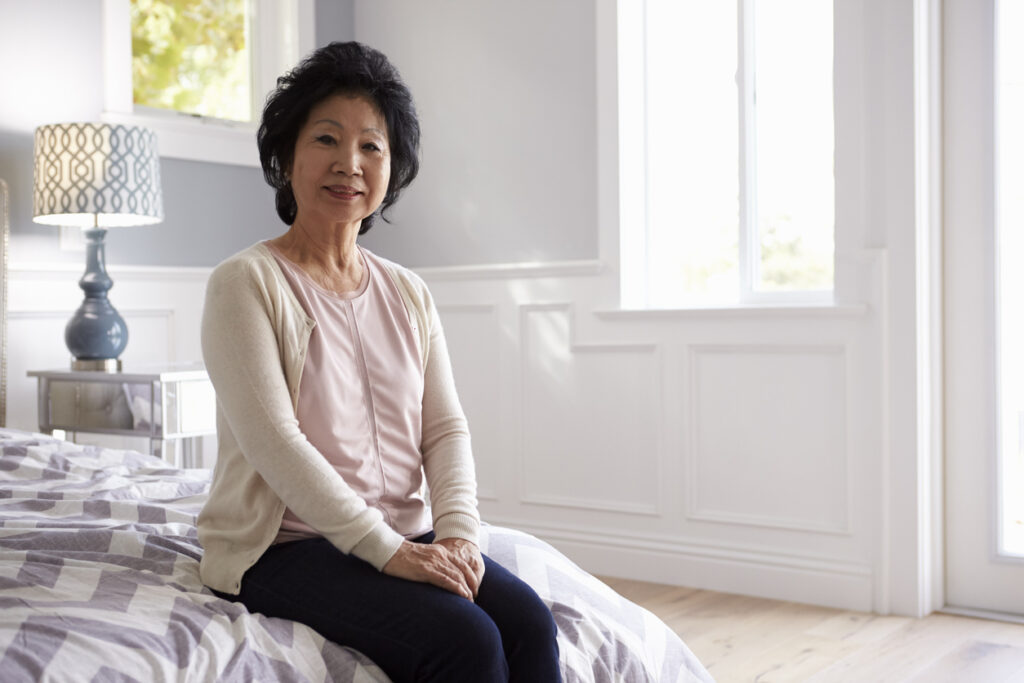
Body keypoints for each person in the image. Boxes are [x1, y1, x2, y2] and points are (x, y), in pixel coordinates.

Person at [197, 41, 561, 682]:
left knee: (531, 623)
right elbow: (276, 444)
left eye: (372, 146)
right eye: (326, 140)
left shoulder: (407, 292)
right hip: (285, 547)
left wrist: (456, 536)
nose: (349, 164)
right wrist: (387, 552)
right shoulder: (246, 283)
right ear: (286, 156)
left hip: (405, 531)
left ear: (393, 167)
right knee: (466, 642)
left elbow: (444, 428)